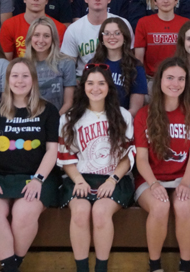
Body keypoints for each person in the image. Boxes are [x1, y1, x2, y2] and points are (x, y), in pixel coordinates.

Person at [0, 58, 61, 272]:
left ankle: (9, 268)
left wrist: (38, 180)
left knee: (24, 212)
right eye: (15, 75)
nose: (20, 81)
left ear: (33, 79)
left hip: (38, 177)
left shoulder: (48, 111)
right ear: (7, 80)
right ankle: (12, 268)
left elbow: (52, 150)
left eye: (25, 76)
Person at [58, 64, 136, 272]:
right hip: (79, 177)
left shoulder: (123, 116)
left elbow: (127, 156)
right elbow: (66, 157)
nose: (96, 88)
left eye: (101, 83)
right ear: (83, 87)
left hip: (114, 178)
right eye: (90, 83)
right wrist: (79, 180)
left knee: (101, 212)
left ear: (109, 87)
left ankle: (101, 268)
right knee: (81, 212)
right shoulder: (69, 117)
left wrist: (112, 180)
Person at [134, 57, 190, 272]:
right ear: (159, 81)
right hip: (150, 178)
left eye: (180, 79)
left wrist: (185, 183)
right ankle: (155, 265)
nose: (175, 83)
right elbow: (141, 158)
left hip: (184, 177)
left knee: (183, 206)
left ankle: (185, 265)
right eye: (170, 78)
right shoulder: (144, 114)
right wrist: (154, 184)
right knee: (160, 206)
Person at [61, 0, 133, 76]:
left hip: (117, 77)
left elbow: (131, 58)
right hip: (85, 79)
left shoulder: (123, 24)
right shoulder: (73, 29)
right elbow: (68, 66)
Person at [91, 17, 148, 115]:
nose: (111, 37)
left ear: (125, 37)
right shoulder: (92, 64)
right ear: (102, 38)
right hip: (96, 121)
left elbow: (135, 110)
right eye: (107, 33)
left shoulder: (136, 66)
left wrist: (117, 121)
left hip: (123, 121)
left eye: (117, 33)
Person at [135, 0, 190, 79]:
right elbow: (139, 58)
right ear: (154, 1)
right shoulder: (143, 23)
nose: (165, 1)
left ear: (176, 0)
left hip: (179, 78)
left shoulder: (186, 24)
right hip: (151, 78)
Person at [0, 0, 67, 59]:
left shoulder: (59, 28)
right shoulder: (9, 25)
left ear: (47, 1)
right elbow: (5, 62)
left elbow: (60, 61)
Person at [24, 17, 76, 115]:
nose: (41, 40)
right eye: (36, 35)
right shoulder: (23, 65)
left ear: (53, 39)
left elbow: (68, 102)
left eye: (46, 36)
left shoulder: (67, 63)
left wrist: (54, 121)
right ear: (30, 38)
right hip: (30, 120)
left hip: (58, 118)